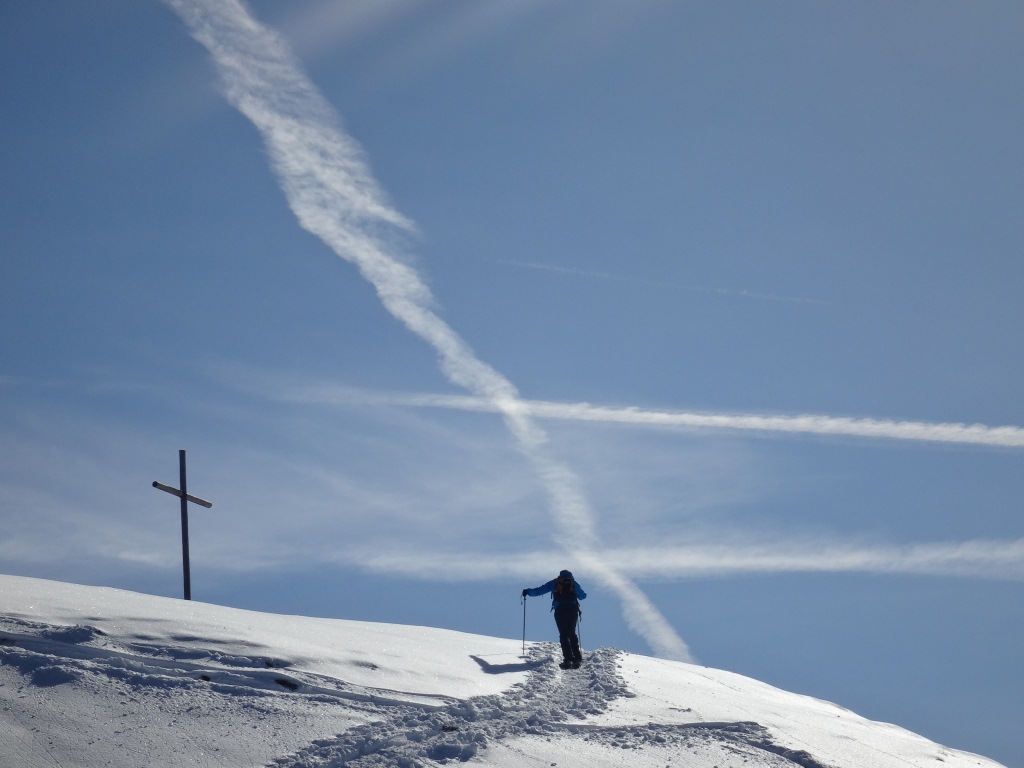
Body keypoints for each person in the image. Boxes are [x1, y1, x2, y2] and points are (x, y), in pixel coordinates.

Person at [522, 569, 587, 669]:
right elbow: (583, 596)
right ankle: (577, 658)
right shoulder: (574, 583)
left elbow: (540, 590)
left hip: (560, 610)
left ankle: (568, 659)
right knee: (572, 633)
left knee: (563, 634)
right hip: (572, 610)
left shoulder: (556, 582)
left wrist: (528, 592)